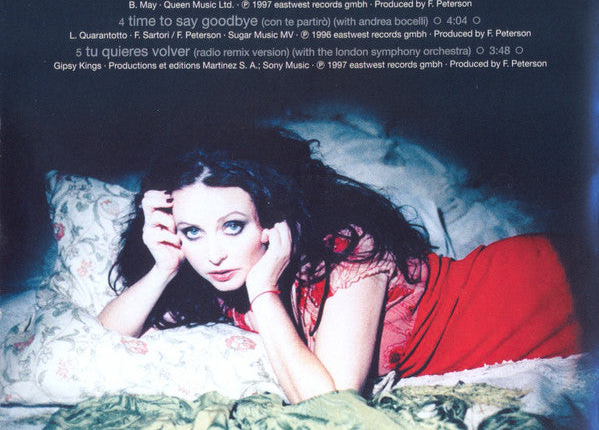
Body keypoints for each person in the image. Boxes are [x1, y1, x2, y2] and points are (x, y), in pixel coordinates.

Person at [99, 127, 582, 403]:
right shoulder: (216, 274)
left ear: (273, 218)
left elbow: (331, 405)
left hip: (547, 288)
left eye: (232, 226)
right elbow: (103, 337)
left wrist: (263, 292)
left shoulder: (348, 251)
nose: (213, 254)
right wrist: (164, 267)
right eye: (192, 231)